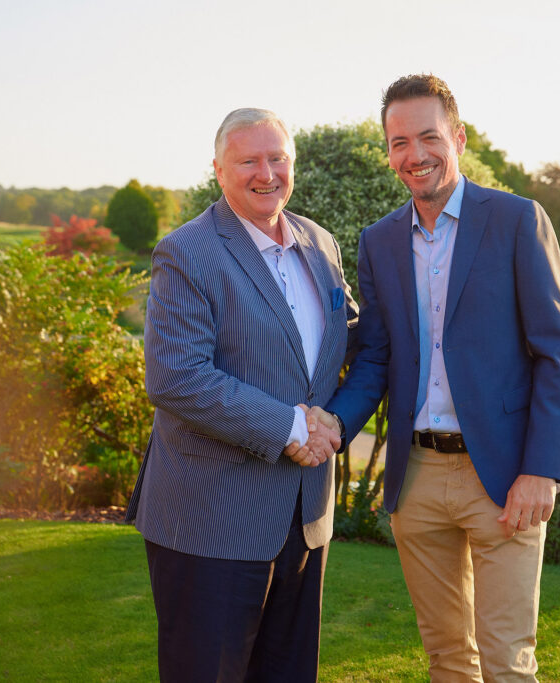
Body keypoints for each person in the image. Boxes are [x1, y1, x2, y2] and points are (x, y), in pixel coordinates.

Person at [307, 74, 560, 681]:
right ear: (388, 151)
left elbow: (557, 352)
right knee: (448, 660)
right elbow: (375, 355)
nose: (415, 155)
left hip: (505, 475)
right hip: (419, 479)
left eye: (428, 137)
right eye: (399, 142)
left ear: (458, 137)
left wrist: (542, 468)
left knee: (508, 661)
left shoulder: (515, 220)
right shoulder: (377, 241)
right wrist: (332, 426)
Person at [125, 107, 356, 683]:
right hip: (209, 524)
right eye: (248, 160)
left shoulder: (320, 244)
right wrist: (296, 429)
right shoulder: (188, 251)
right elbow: (177, 376)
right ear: (219, 170)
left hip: (303, 516)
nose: (266, 172)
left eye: (277, 158)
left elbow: (349, 337)